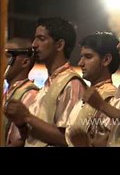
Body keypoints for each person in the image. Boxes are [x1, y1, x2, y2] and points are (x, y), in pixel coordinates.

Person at [5, 17, 87, 147]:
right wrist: (21, 124)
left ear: (59, 45)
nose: (34, 44)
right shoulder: (49, 83)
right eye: (35, 38)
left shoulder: (72, 84)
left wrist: (27, 117)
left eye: (41, 39)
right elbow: (35, 138)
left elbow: (69, 139)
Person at [65, 32, 120, 147]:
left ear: (106, 60)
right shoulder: (89, 95)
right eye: (81, 57)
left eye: (88, 57)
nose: (80, 63)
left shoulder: (112, 98)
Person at [3, 37, 39, 147]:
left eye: (8, 56)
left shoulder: (31, 94)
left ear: (25, 62)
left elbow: (25, 139)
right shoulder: (8, 91)